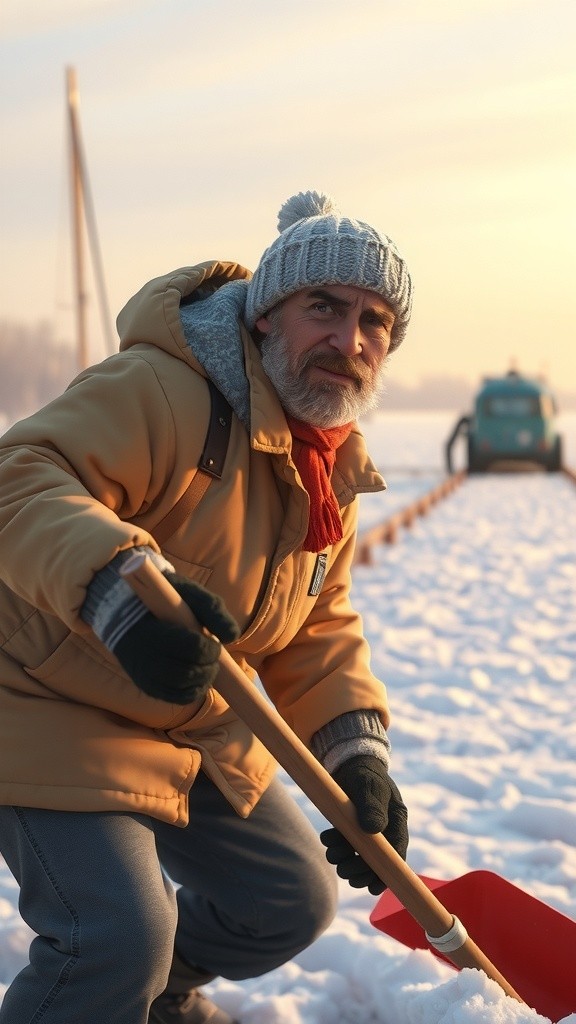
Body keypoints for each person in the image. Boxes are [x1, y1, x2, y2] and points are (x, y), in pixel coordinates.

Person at [0, 190, 411, 1024]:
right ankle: (108, 984)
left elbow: (316, 625)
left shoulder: (327, 465)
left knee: (291, 902)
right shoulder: (162, 390)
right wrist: (116, 592)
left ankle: (144, 1002)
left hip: (190, 719)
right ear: (265, 317)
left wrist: (355, 752)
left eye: (373, 321)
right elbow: (21, 478)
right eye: (323, 308)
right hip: (46, 696)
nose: (348, 339)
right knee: (117, 933)